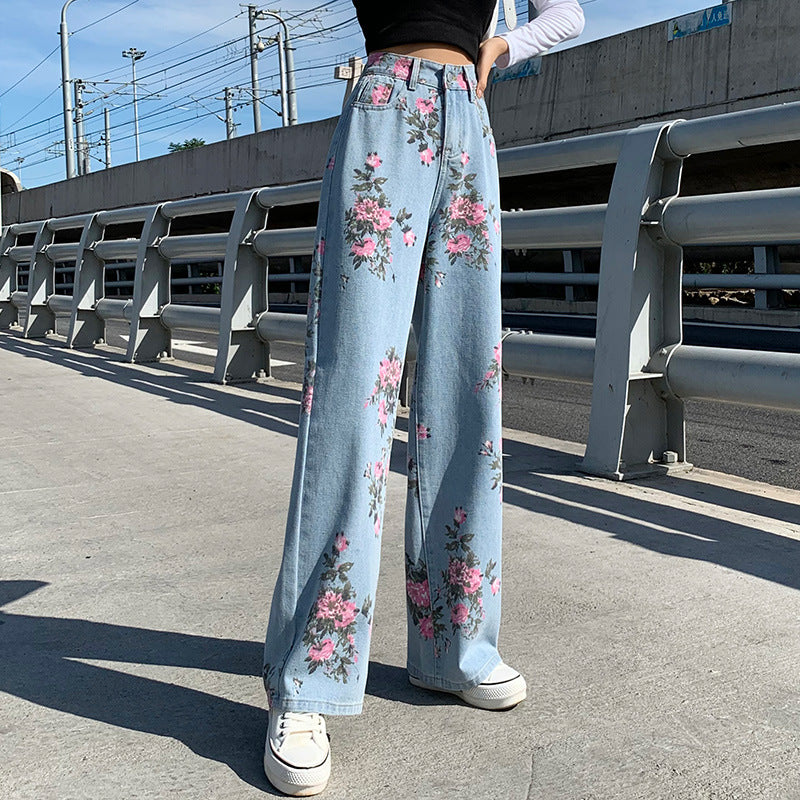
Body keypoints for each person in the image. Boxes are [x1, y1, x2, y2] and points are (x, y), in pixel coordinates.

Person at [261, 1, 585, 795]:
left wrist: (506, 45)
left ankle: (455, 647)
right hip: (384, 103)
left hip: (468, 115)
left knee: (466, 386)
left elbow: (569, 12)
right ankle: (306, 680)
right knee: (352, 392)